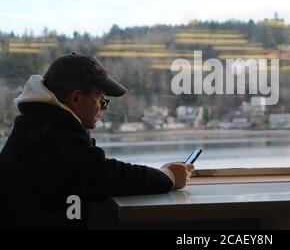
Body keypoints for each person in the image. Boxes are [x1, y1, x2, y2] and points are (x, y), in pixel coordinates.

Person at [0, 53, 194, 229]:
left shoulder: (41, 122)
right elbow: (101, 174)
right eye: (101, 99)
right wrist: (167, 177)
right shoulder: (53, 130)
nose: (104, 107)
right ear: (76, 98)